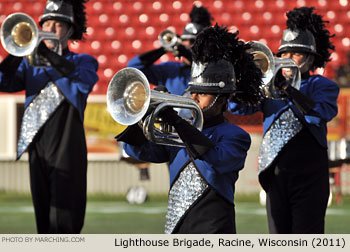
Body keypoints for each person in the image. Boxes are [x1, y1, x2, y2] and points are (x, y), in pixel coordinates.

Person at [117, 24, 263, 233]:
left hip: (214, 229)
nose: (193, 98)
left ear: (223, 100)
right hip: (175, 229)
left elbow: (215, 159)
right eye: (193, 91)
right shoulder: (178, 135)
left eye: (202, 94)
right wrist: (142, 114)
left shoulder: (236, 136)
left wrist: (176, 121)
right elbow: (138, 150)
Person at [229, 6, 339, 233]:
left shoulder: (322, 86)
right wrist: (243, 82)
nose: (287, 59)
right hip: (275, 176)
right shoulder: (269, 87)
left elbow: (318, 114)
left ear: (310, 58)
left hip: (310, 176)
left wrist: (288, 89)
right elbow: (238, 108)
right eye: (284, 53)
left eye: (295, 54)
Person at [0, 0, 98, 233]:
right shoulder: (30, 65)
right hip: (38, 150)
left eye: (58, 25)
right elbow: (2, 80)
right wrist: (17, 49)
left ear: (70, 30)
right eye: (47, 23)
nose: (50, 29)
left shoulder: (83, 62)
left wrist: (45, 52)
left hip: (68, 150)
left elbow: (83, 81)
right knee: (43, 224)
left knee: (65, 223)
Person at [121, 5, 214, 185]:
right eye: (186, 41)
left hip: (205, 135)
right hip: (174, 137)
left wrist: (186, 50)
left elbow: (200, 62)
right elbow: (133, 68)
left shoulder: (212, 72)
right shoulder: (171, 69)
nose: (188, 46)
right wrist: (165, 48)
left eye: (194, 42)